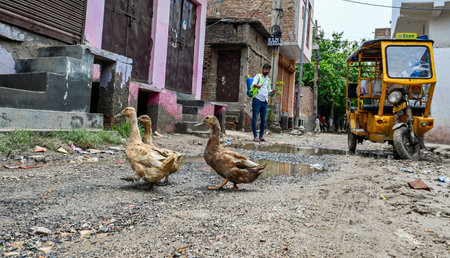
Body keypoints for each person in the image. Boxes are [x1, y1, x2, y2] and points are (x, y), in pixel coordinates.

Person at [250, 64, 276, 142]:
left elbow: (269, 91)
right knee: (255, 118)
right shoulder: (258, 76)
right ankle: (255, 136)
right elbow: (253, 84)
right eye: (265, 69)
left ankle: (261, 136)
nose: (266, 71)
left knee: (263, 120)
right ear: (262, 69)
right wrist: (256, 85)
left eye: (268, 70)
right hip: (257, 100)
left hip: (265, 101)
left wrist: (273, 92)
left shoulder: (268, 80)